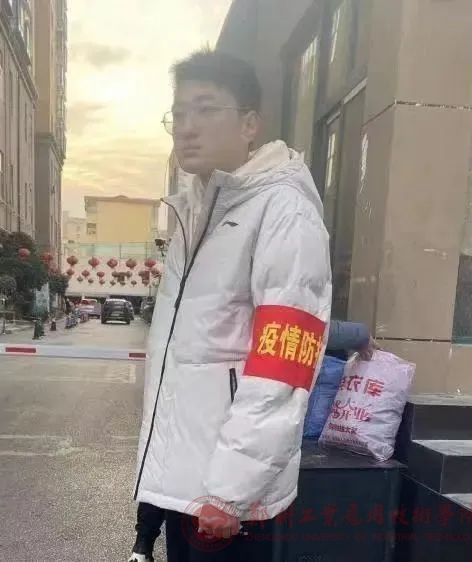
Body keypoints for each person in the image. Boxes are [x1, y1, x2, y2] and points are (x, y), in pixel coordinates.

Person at [133, 50, 332, 562]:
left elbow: (283, 366)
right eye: (178, 114)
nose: (187, 128)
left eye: (205, 109)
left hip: (226, 499)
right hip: (186, 484)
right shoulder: (195, 211)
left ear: (249, 124)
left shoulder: (283, 211)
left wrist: (230, 491)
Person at [129, 321, 375, 562]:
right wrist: (361, 334)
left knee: (170, 471)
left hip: (196, 420)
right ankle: (145, 542)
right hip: (237, 427)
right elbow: (304, 325)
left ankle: (143, 545)